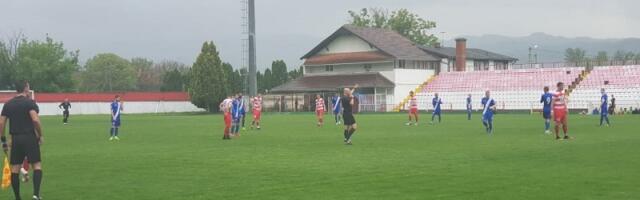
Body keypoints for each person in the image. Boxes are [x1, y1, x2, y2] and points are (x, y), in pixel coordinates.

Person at [0, 80, 44, 200]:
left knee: (15, 168)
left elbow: (1, 122)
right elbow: (35, 120)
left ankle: (17, 197)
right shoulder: (29, 103)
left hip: (15, 139)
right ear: (26, 88)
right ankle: (36, 194)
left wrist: (3, 140)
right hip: (29, 137)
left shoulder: (8, 104)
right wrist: (40, 135)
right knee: (36, 165)